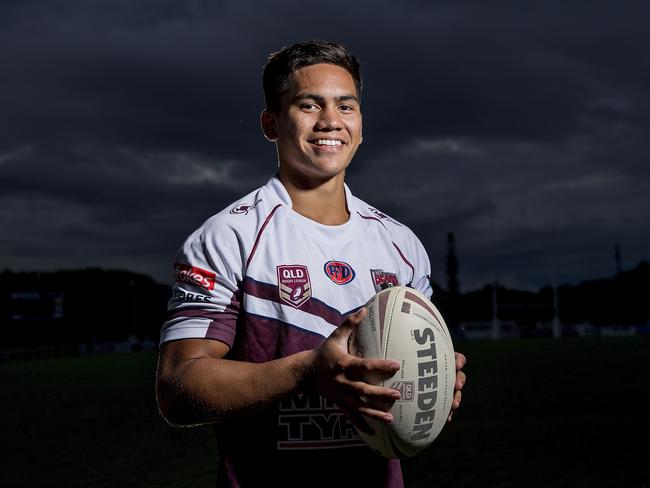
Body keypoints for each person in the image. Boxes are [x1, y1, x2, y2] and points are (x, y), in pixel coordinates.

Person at [156, 40, 467, 488]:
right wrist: (307, 372)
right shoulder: (229, 237)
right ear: (271, 123)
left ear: (360, 124)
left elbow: (410, 376)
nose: (331, 122)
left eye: (346, 105)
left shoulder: (401, 244)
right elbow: (178, 389)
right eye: (309, 104)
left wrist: (435, 379)